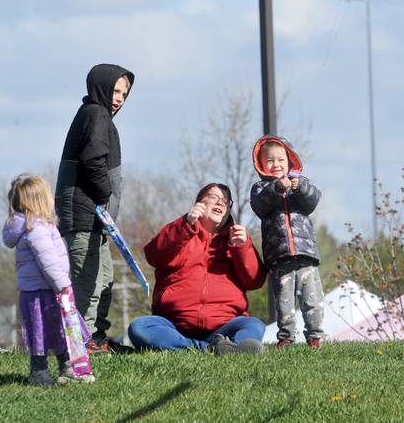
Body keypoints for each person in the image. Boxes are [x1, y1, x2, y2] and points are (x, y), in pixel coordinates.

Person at [128, 183, 267, 354]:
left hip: (224, 325)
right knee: (140, 327)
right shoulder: (180, 230)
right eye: (213, 197)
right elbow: (154, 256)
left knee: (253, 324)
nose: (220, 203)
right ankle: (217, 348)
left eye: (225, 201)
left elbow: (254, 280)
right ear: (199, 203)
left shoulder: (237, 239)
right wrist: (185, 225)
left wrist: (241, 247)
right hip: (174, 325)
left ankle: (222, 346)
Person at [54, 63, 134, 353]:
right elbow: (92, 161)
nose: (119, 99)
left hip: (97, 219)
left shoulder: (99, 116)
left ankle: (96, 338)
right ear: (100, 87)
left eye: (124, 94)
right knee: (87, 281)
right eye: (115, 91)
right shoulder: (96, 114)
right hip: (84, 214)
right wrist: (104, 195)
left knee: (105, 279)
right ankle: (80, 345)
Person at [2, 175, 95, 386]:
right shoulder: (37, 229)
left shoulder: (37, 226)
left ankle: (66, 367)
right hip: (42, 292)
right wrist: (62, 284)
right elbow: (48, 261)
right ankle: (39, 372)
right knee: (42, 333)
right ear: (39, 201)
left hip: (45, 290)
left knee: (60, 329)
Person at [250, 135, 324, 348]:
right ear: (261, 164)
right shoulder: (260, 188)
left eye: (281, 160)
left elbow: (312, 201)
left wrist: (298, 187)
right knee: (284, 300)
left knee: (312, 297)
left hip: (306, 253)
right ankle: (286, 336)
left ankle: (315, 335)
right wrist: (277, 188)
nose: (276, 165)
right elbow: (260, 207)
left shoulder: (301, 182)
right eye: (270, 160)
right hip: (279, 255)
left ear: (290, 161)